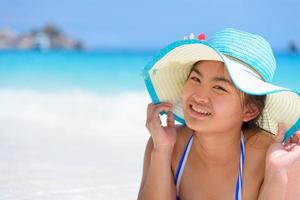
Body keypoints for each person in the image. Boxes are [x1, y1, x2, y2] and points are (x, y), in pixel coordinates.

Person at [137, 28, 300, 200]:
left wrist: (276, 173)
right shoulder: (166, 143)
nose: (199, 96)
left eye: (219, 87)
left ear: (249, 110)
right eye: (195, 79)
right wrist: (161, 151)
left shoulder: (279, 159)